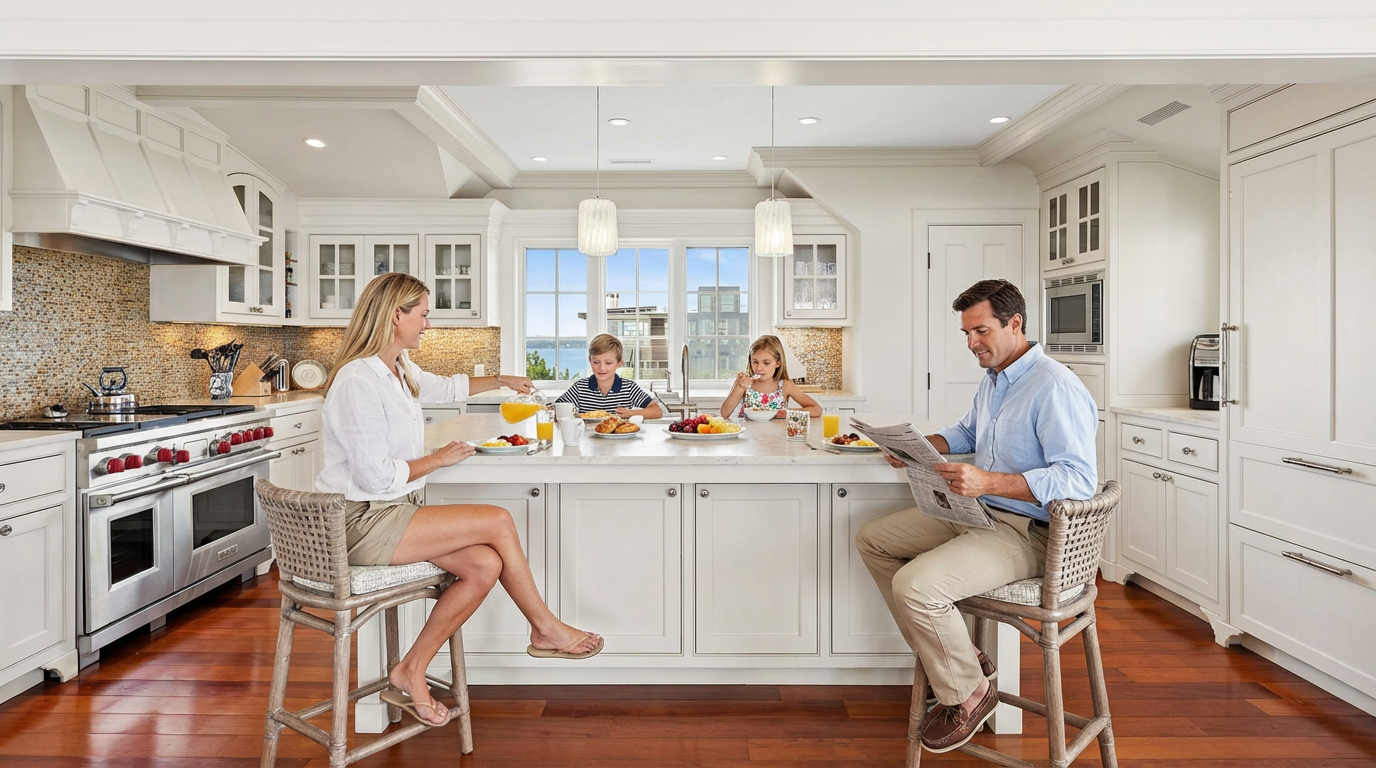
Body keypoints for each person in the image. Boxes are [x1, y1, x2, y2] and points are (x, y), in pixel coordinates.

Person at [318, 272, 603, 728]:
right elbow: (374, 477)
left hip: (392, 513)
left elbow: (448, 388)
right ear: (396, 316)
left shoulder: (399, 370)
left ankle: (410, 668)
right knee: (497, 520)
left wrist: (504, 378)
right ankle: (546, 627)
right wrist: (437, 459)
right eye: (424, 314)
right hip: (359, 522)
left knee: (484, 564)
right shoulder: (358, 381)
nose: (427, 325)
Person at [855, 279, 1097, 754]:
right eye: (966, 333)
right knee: (873, 539)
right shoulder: (996, 380)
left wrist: (988, 482)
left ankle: (969, 694)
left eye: (980, 331)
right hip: (982, 513)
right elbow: (968, 431)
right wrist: (919, 448)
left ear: (1015, 323)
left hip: (1028, 531)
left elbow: (1077, 480)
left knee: (916, 587)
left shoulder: (1054, 386)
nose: (971, 344)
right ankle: (961, 659)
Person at [553, 333, 663, 419]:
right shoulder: (580, 388)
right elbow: (555, 409)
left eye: (608, 363)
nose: (601, 368)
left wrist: (630, 413)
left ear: (619, 363)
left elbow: (657, 411)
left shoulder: (628, 388)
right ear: (590, 361)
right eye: (596, 362)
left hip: (620, 443)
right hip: (588, 443)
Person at [719, 334, 822, 419]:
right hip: (749, 437)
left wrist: (788, 413)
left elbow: (816, 409)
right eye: (755, 362)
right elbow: (724, 414)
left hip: (776, 437)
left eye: (766, 363)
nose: (759, 368)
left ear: (777, 363)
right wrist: (738, 387)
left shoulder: (785, 386)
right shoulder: (746, 384)